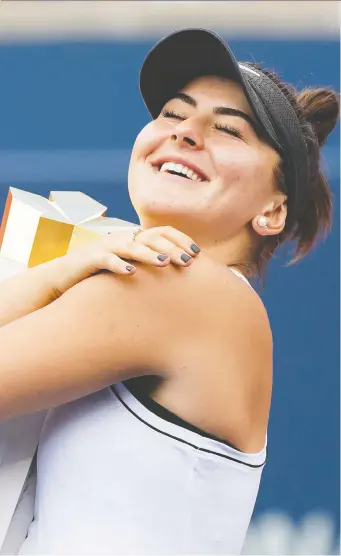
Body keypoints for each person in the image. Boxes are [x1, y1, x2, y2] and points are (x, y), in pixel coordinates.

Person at [0, 28, 339, 555]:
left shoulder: (178, 281)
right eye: (173, 114)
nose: (185, 133)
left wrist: (53, 275)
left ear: (272, 210)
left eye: (228, 130)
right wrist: (60, 273)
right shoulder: (171, 286)